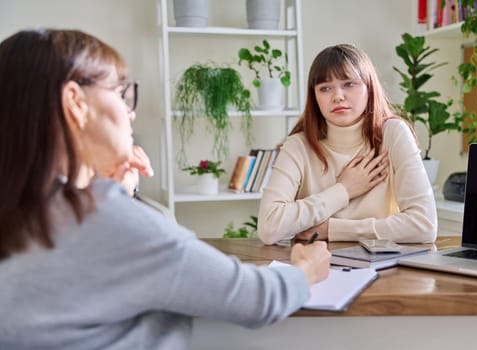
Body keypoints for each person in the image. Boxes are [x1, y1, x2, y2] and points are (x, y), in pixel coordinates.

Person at [0, 29, 331, 350]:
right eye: (120, 93)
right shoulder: (99, 216)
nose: (130, 112)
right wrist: (306, 270)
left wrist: (118, 198)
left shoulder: (25, 209)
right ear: (75, 101)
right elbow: (255, 298)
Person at [258, 44, 437, 245]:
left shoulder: (393, 134)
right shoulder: (297, 145)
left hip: (382, 266)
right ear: (314, 97)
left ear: (369, 87)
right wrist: (344, 190)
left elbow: (424, 225)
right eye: (325, 88)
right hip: (316, 267)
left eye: (349, 84)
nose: (338, 96)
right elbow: (269, 227)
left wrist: (332, 229)